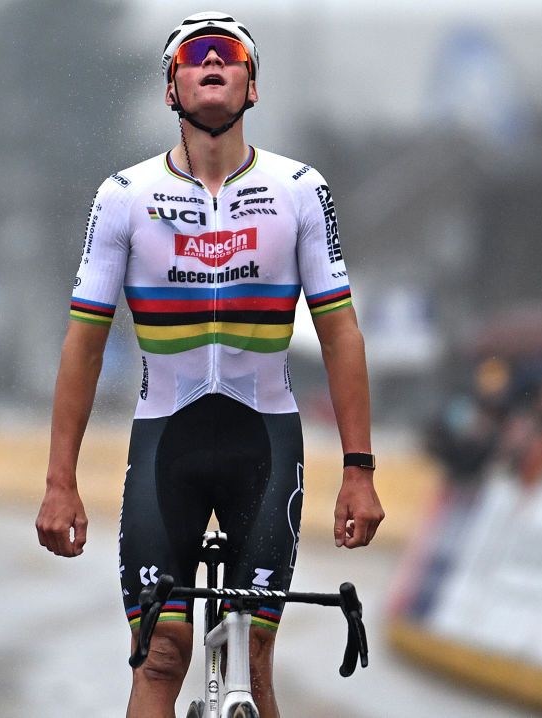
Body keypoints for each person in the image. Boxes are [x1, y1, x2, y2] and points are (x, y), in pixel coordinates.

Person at [36, 11, 385, 717]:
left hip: (266, 443)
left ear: (252, 87)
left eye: (230, 55)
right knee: (162, 657)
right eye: (194, 57)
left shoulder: (299, 190)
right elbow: (84, 340)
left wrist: (359, 469)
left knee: (254, 665)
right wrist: (59, 482)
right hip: (168, 443)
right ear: (172, 89)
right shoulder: (124, 198)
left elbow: (340, 329)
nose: (212, 64)